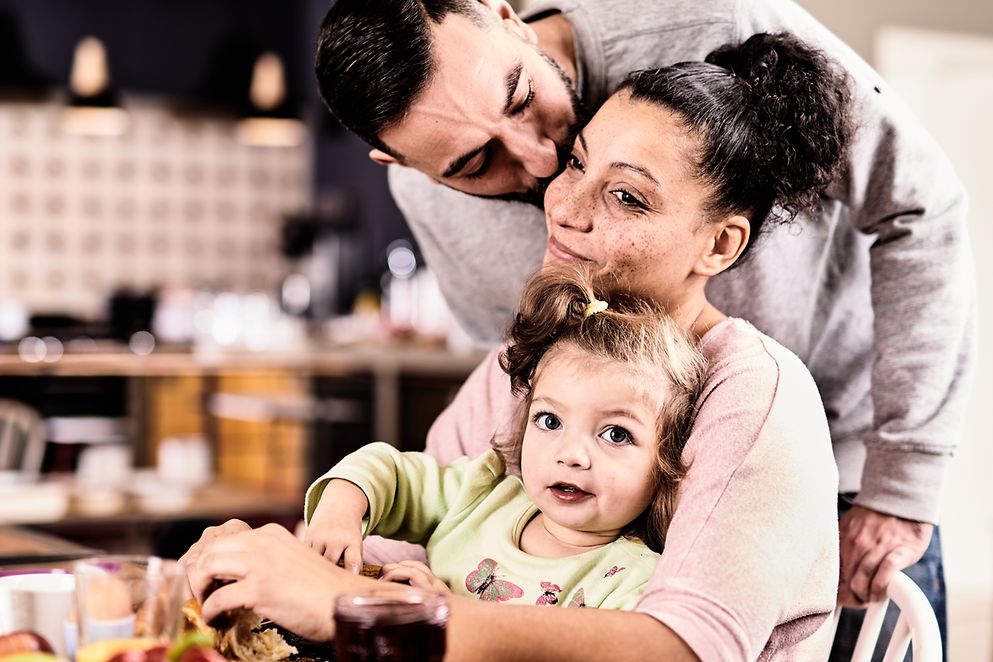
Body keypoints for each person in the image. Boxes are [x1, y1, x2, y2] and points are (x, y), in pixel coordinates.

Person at [315, 0, 975, 658]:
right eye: (473, 163)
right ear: (399, 164)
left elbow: (921, 205)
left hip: (827, 457)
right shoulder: (442, 211)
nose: (543, 166)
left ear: (505, 15)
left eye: (520, 98)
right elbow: (476, 446)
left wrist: (901, 484)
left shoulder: (709, 21)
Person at [184, 32, 847, 660]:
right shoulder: (544, 351)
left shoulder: (755, 394)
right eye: (578, 162)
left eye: (625, 196)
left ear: (719, 244)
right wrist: (273, 569)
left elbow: (684, 649)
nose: (564, 206)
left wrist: (347, 604)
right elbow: (408, 542)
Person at [304, 268, 706, 608]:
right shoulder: (481, 495)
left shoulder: (632, 583)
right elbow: (390, 473)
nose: (571, 455)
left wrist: (445, 617)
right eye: (549, 421)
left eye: (616, 434)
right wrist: (341, 509)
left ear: (664, 461)